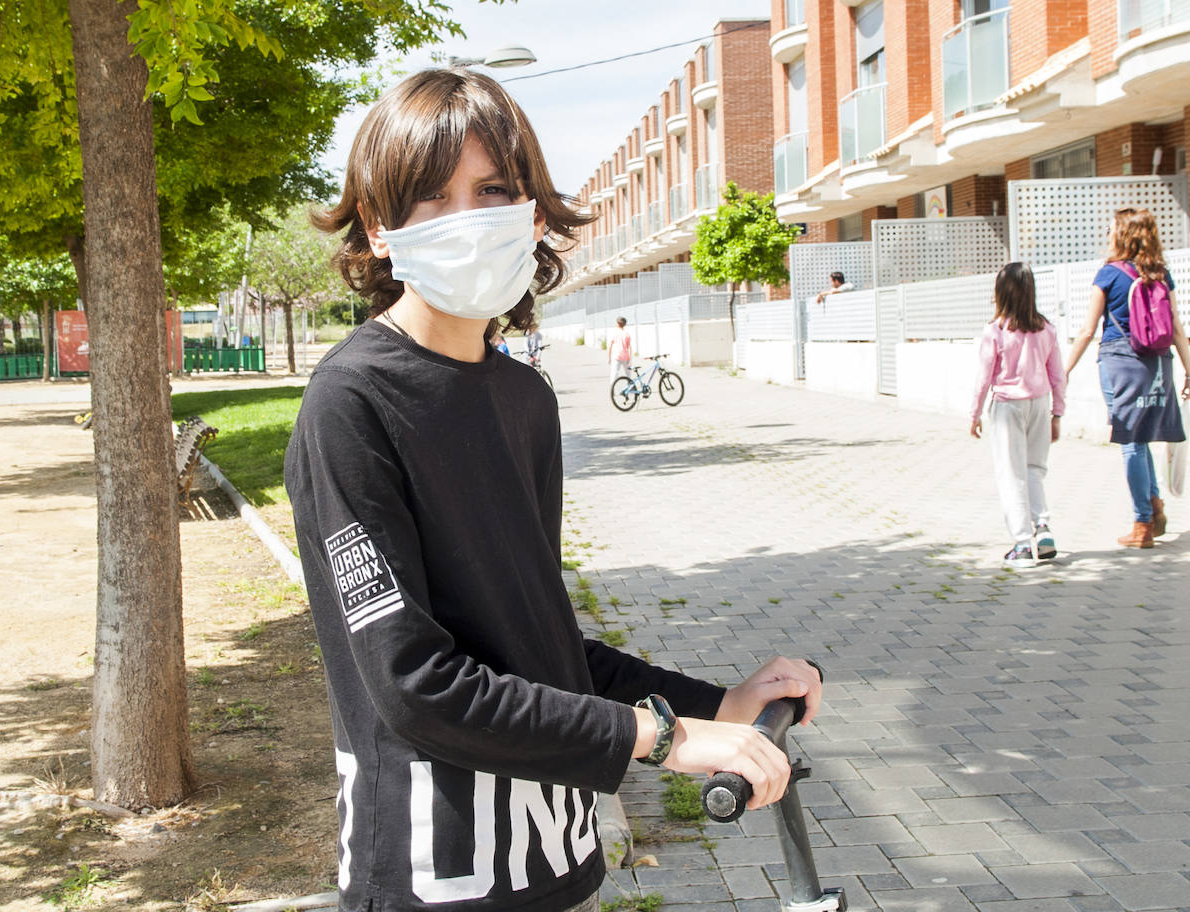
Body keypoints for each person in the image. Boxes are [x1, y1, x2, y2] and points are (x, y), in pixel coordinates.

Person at [288, 68, 823, 912]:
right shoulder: (351, 403)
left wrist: (719, 703)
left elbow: (538, 642)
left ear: (533, 213)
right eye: (432, 197)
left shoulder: (524, 399)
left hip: (555, 856)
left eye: (493, 189)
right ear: (380, 230)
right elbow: (414, 685)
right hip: (435, 874)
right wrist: (663, 739)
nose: (468, 217)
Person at [1064, 208, 1190, 548]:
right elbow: (1178, 328)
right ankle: (1153, 506)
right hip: (1159, 364)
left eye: (1112, 229)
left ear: (1122, 234)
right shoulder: (1161, 274)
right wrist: (1189, 372)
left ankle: (1142, 525)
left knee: (1132, 442)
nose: (1108, 233)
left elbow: (1087, 330)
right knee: (1144, 437)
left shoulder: (1108, 274)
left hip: (1121, 361)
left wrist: (1062, 371)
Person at [969, 262, 1066, 567]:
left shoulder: (995, 331)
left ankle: (1022, 545)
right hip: (1039, 403)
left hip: (1008, 406)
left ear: (1001, 293)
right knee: (1035, 469)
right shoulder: (1046, 329)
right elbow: (1058, 375)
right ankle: (1043, 530)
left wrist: (974, 413)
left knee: (1011, 474)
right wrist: (1057, 413)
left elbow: (984, 377)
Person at [608, 315, 633, 383]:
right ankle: (630, 386)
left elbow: (610, 346)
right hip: (625, 356)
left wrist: (609, 357)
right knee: (628, 374)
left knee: (614, 373)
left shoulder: (614, 333)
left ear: (617, 324)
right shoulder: (627, 334)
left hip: (616, 356)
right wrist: (630, 359)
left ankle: (612, 389)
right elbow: (628, 347)